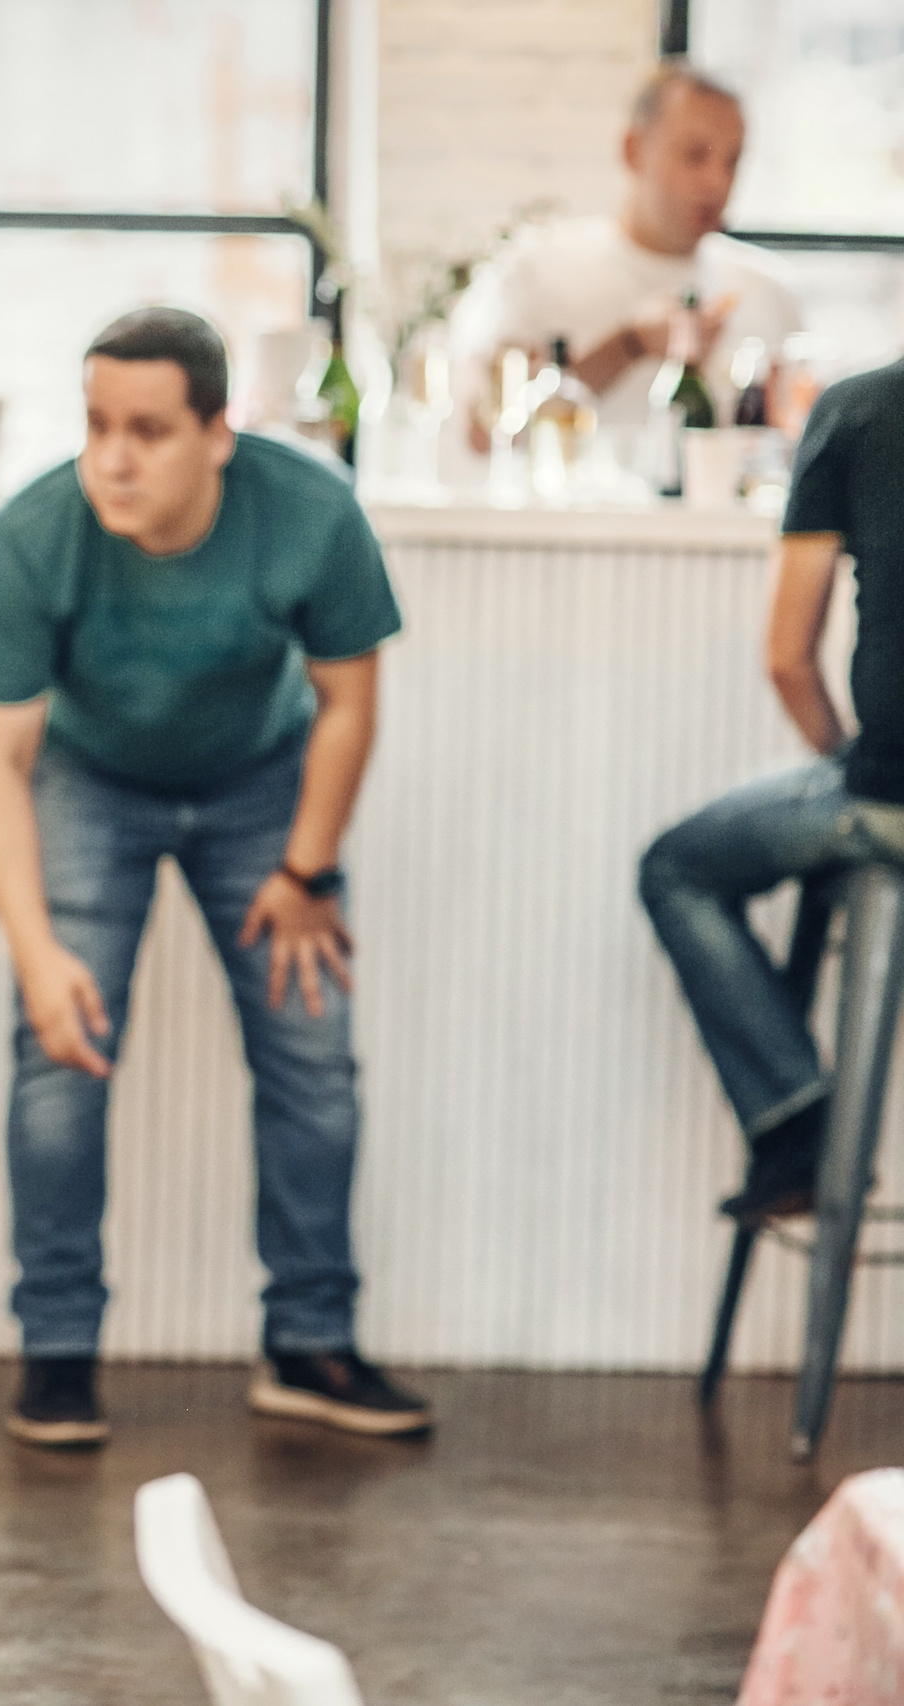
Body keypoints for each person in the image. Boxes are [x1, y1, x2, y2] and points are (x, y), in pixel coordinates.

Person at [0, 307, 432, 1449]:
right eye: (94, 425)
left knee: (310, 1047)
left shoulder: (310, 510)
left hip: (262, 783)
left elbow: (348, 701)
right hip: (92, 777)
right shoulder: (35, 533)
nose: (112, 458)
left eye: (148, 430)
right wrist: (34, 952)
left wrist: (306, 868)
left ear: (218, 432)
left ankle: (310, 1339)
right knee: (60, 1048)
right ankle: (58, 1349)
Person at [640, 357, 904, 1223]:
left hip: (889, 800)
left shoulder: (860, 411)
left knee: (677, 868)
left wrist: (847, 761)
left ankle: (797, 1121)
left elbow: (788, 658)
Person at [450, 60, 800, 453]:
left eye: (731, 161)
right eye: (695, 156)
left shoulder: (769, 291)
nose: (717, 182)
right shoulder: (536, 270)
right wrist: (629, 344)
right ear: (633, 150)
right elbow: (481, 434)